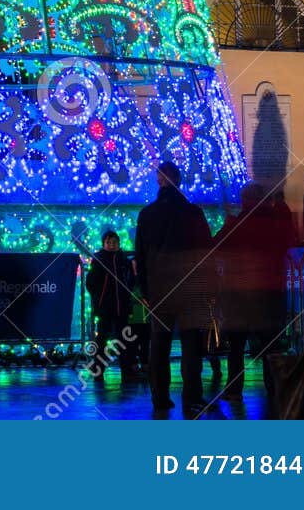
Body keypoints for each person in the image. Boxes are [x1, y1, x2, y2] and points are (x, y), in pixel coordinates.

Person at [134, 160, 212, 415]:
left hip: (159, 287)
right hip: (190, 287)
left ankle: (160, 396)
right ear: (179, 181)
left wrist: (144, 290)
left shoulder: (147, 214)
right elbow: (205, 253)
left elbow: (141, 256)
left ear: (159, 181)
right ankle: (192, 395)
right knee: (191, 345)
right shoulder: (193, 213)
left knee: (159, 343)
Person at [212, 182, 293, 398]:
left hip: (239, 295)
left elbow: (216, 246)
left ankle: (234, 387)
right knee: (270, 346)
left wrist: (228, 223)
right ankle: (273, 387)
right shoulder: (275, 222)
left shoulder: (238, 224)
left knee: (237, 346)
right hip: (270, 293)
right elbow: (288, 242)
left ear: (244, 200)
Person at [85, 230, 135, 381]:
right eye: (109, 242)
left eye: (114, 242)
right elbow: (90, 282)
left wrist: (127, 295)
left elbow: (130, 279)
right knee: (102, 339)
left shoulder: (124, 260)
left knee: (124, 339)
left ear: (118, 244)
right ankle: (98, 370)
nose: (112, 245)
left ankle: (127, 370)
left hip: (122, 306)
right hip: (105, 307)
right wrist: (99, 298)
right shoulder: (98, 259)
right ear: (104, 244)